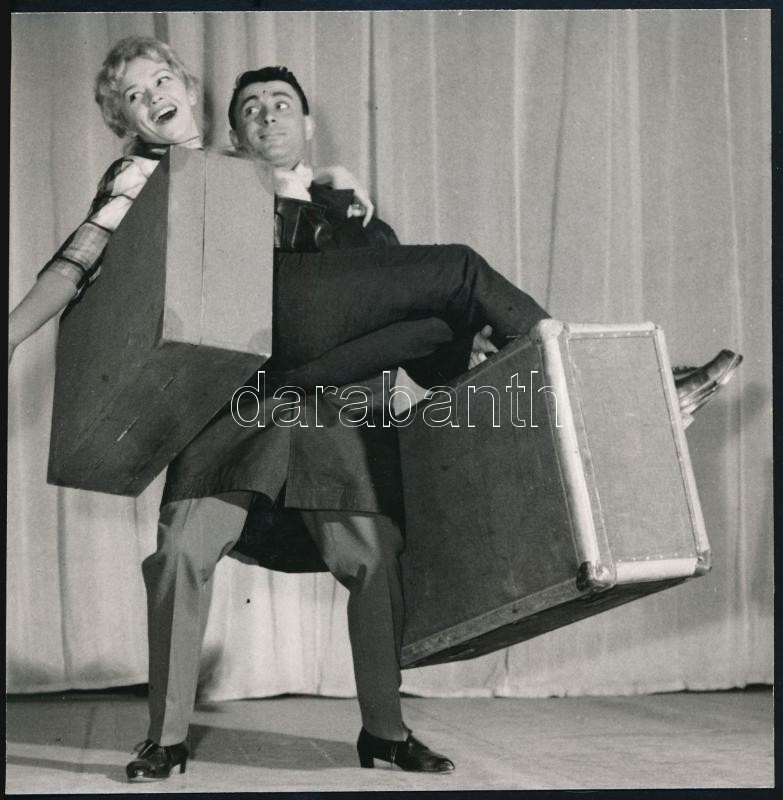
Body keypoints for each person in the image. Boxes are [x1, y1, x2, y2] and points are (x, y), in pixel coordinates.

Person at [8, 39, 742, 781]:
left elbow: (404, 322)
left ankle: (385, 733)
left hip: (325, 402)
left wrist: (352, 219)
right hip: (234, 403)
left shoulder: (339, 206)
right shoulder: (150, 175)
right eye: (136, 96)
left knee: (377, 545)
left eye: (162, 79)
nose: (155, 97)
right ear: (139, 122)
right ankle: (164, 739)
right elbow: (76, 262)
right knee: (181, 556)